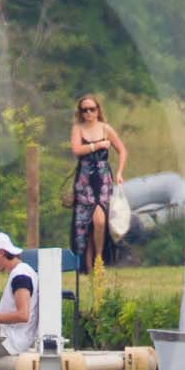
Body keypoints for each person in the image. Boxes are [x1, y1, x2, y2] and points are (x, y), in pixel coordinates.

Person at [69, 93, 129, 267]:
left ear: (98, 110)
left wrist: (119, 172)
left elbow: (122, 150)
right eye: (84, 110)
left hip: (103, 177)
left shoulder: (105, 128)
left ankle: (99, 258)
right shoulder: (77, 128)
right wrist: (97, 145)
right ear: (80, 112)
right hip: (84, 177)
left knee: (100, 220)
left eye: (92, 109)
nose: (88, 113)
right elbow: (76, 149)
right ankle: (87, 263)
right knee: (86, 223)